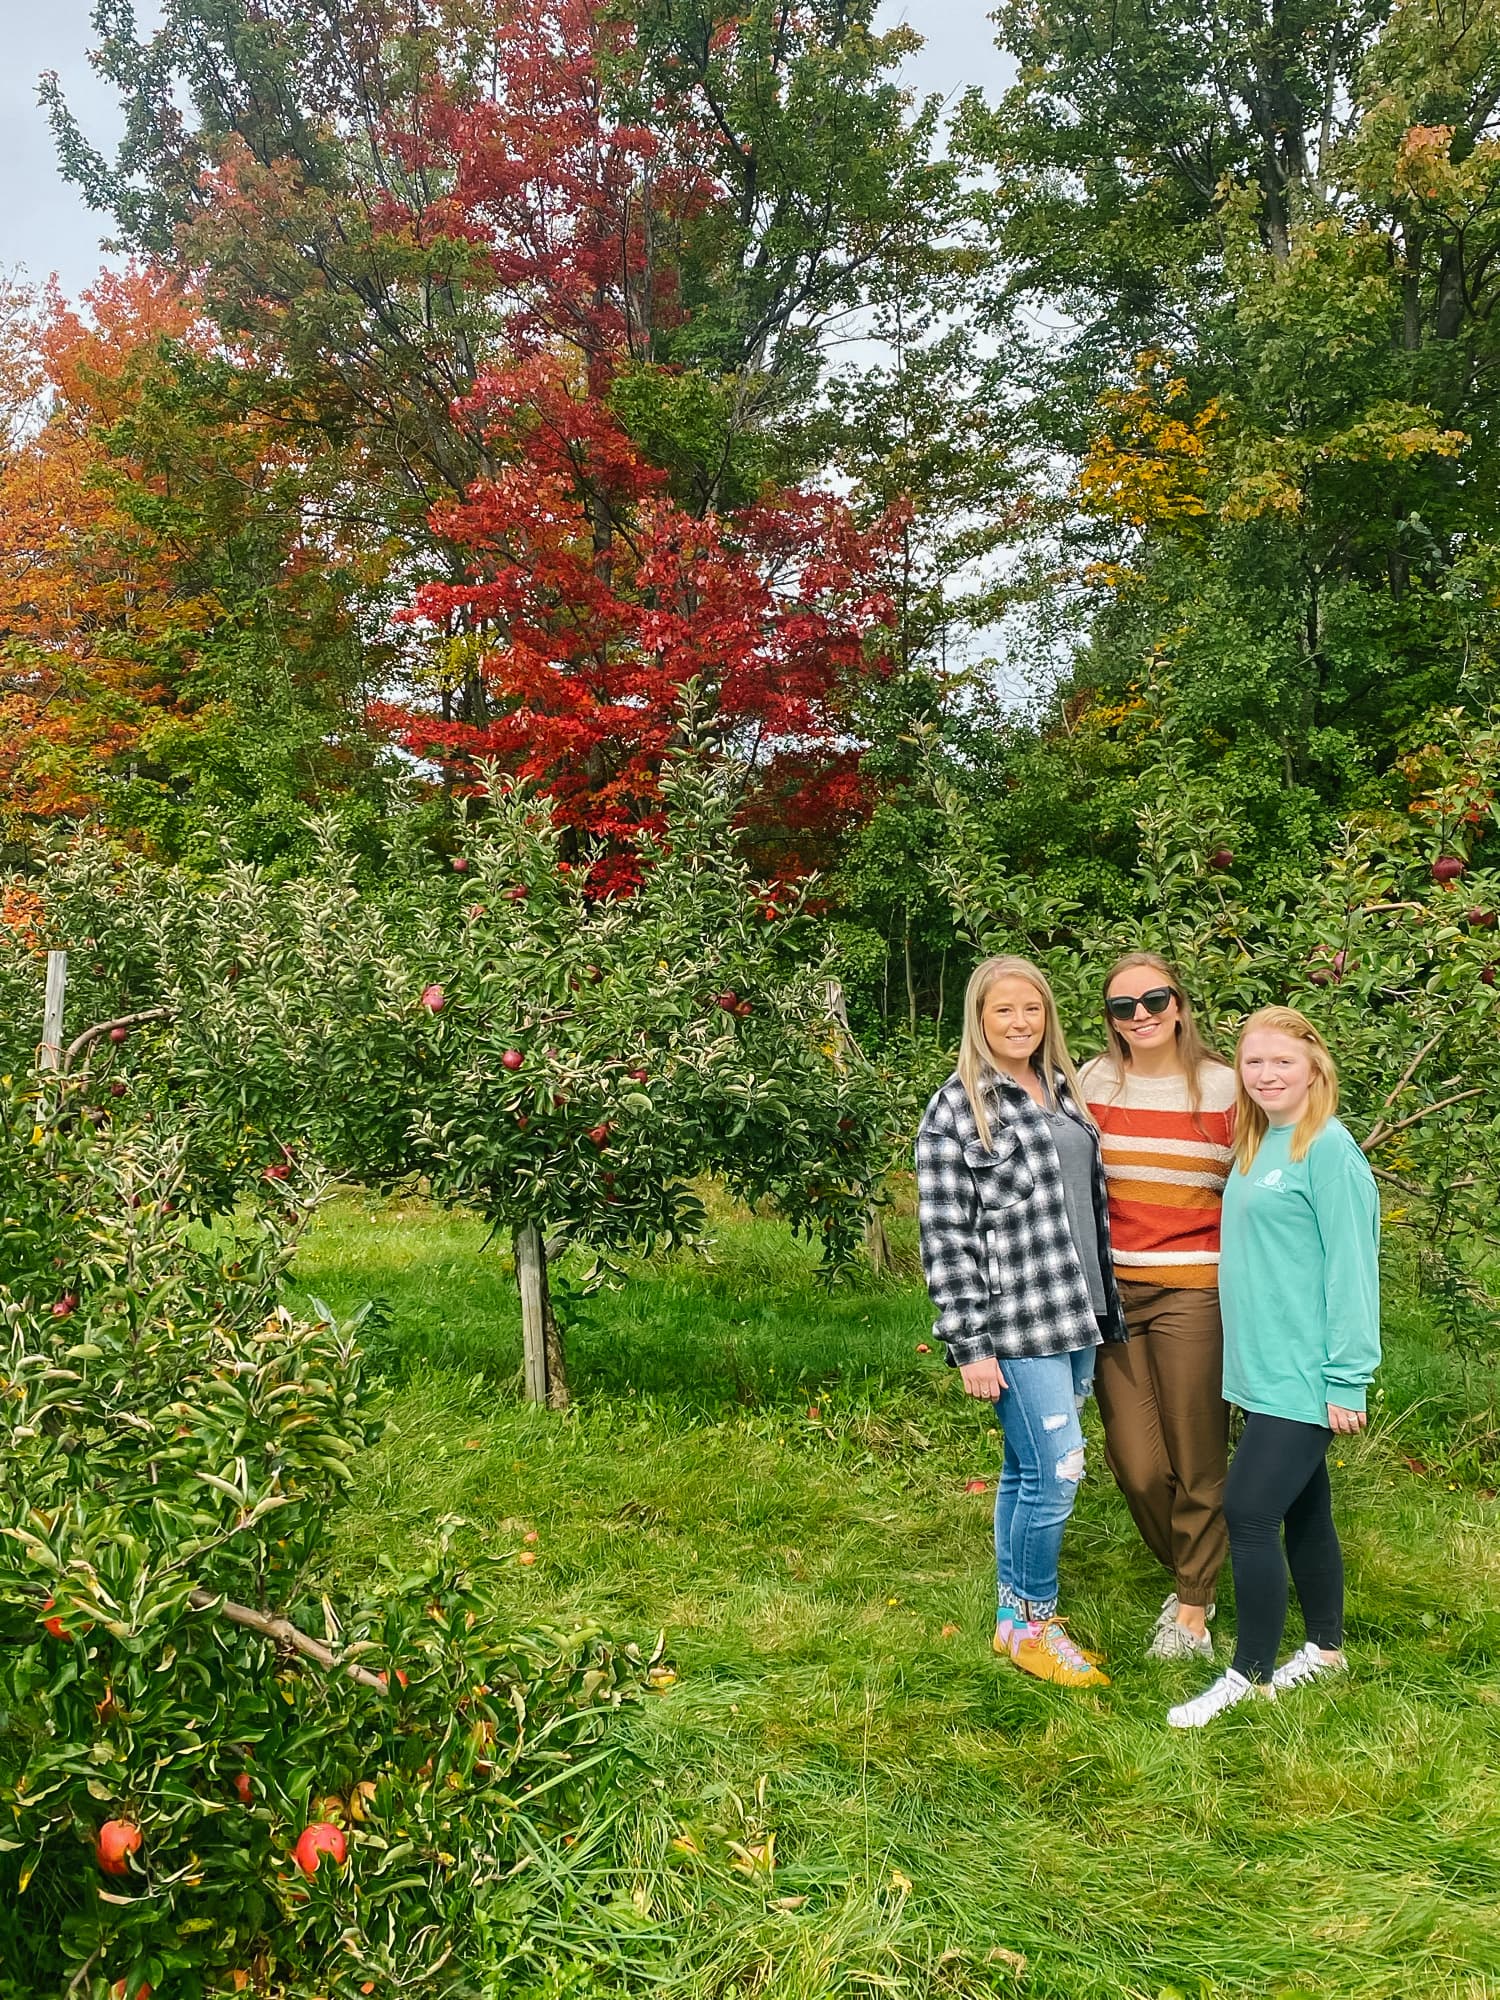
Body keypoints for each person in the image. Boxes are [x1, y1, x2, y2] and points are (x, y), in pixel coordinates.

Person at [916, 953, 1127, 1690]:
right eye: (1003, 1011)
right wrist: (968, 1343)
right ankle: (1038, 1621)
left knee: (1026, 1468)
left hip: (1079, 1312)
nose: (1019, 1023)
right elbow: (946, 1235)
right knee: (1061, 1472)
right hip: (1016, 1321)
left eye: (1031, 1009)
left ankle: (1011, 1622)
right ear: (978, 1018)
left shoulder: (1063, 1090)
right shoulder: (957, 1107)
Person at [1168, 1006, 1381, 1728]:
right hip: (1261, 1368)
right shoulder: (1260, 1142)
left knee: (1249, 1512)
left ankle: (1248, 1675)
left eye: (1281, 1062)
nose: (1265, 1075)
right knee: (1304, 1509)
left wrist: (1348, 1376)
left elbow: (1354, 1272)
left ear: (1315, 1066)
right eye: (1253, 1063)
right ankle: (1325, 1651)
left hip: (1304, 1371)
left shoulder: (1328, 1150)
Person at [1079, 953, 1237, 1661]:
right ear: (1110, 1019)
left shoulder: (1226, 1088)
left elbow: (1258, 1189)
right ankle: (1189, 1572)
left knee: (1197, 1453)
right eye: (1123, 1006)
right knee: (1138, 1462)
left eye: (1153, 999)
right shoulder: (1090, 1082)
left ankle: (1194, 1612)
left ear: (1179, 1005)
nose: (1140, 1014)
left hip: (1194, 1291)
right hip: (1114, 1294)